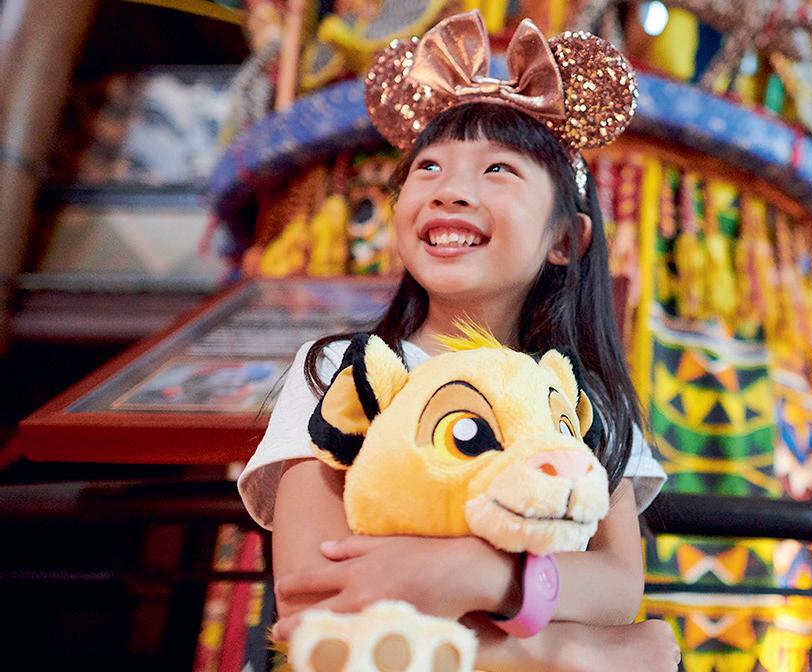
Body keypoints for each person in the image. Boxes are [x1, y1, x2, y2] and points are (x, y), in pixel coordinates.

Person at [236, 10, 680, 671]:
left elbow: (616, 588)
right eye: (428, 168)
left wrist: (473, 573)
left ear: (565, 239)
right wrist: (564, 646)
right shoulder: (341, 372)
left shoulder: (582, 397)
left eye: (497, 170)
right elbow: (313, 599)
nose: (450, 191)